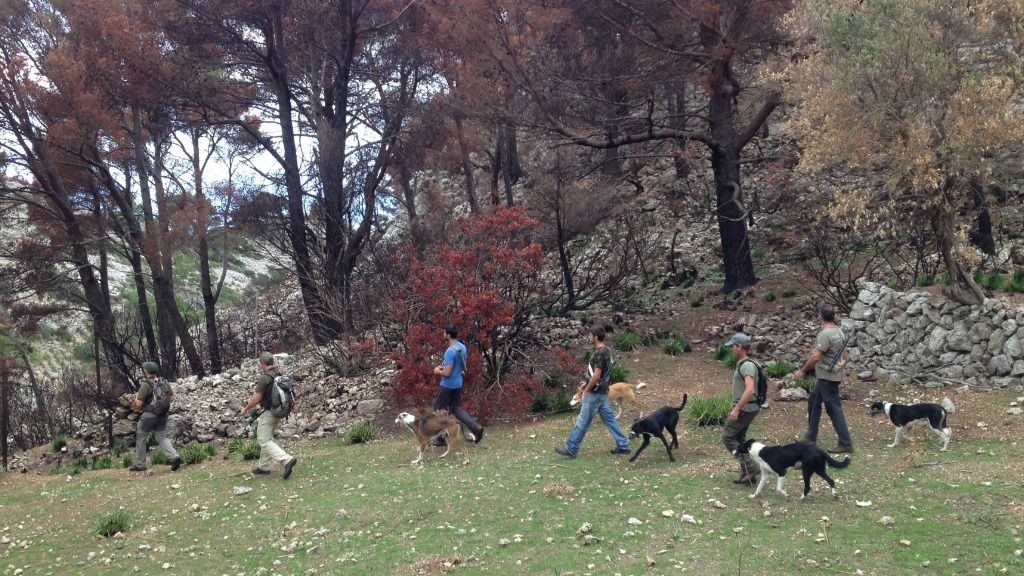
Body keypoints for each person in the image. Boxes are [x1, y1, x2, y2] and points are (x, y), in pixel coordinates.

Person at [555, 326, 631, 459]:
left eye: (590, 335)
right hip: (602, 392)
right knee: (610, 419)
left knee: (582, 421)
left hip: (594, 393)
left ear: (596, 337)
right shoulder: (607, 350)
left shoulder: (599, 353)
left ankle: (571, 448)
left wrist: (586, 390)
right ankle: (623, 445)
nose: (589, 337)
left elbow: (596, 376)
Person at [794, 303, 854, 454]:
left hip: (826, 377)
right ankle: (810, 435)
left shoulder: (825, 334)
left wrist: (802, 370)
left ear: (820, 316)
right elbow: (845, 354)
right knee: (813, 400)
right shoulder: (838, 331)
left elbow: (815, 357)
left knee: (834, 409)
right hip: (830, 375)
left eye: (818, 314)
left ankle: (845, 442)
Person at [238, 352, 298, 479]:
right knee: (267, 438)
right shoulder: (279, 374)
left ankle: (286, 460)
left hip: (270, 412)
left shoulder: (265, 378)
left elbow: (256, 398)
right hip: (280, 410)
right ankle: (263, 466)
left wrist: (245, 409)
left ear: (263, 363)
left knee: (263, 440)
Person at [432, 325, 484, 444]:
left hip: (447, 385)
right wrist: (444, 367)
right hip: (458, 383)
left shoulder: (450, 351)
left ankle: (441, 438)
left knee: (438, 410)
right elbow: (459, 366)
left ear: (448, 335)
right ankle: (475, 427)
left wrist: (437, 371)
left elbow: (447, 373)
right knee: (456, 408)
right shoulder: (462, 347)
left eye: (444, 333)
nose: (443, 335)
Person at [721, 333, 760, 485]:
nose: (731, 349)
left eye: (733, 346)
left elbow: (750, 390)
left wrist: (736, 409)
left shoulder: (747, 365)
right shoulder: (746, 363)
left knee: (728, 437)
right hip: (749, 407)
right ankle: (748, 474)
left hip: (746, 408)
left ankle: (751, 467)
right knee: (739, 439)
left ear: (740, 347)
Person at [130, 361, 181, 473]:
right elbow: (171, 397)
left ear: (146, 371)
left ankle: (140, 464)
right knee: (162, 438)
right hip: (163, 415)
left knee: (141, 437)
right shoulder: (164, 381)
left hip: (149, 416)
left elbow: (138, 404)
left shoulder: (146, 384)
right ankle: (175, 457)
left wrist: (133, 400)